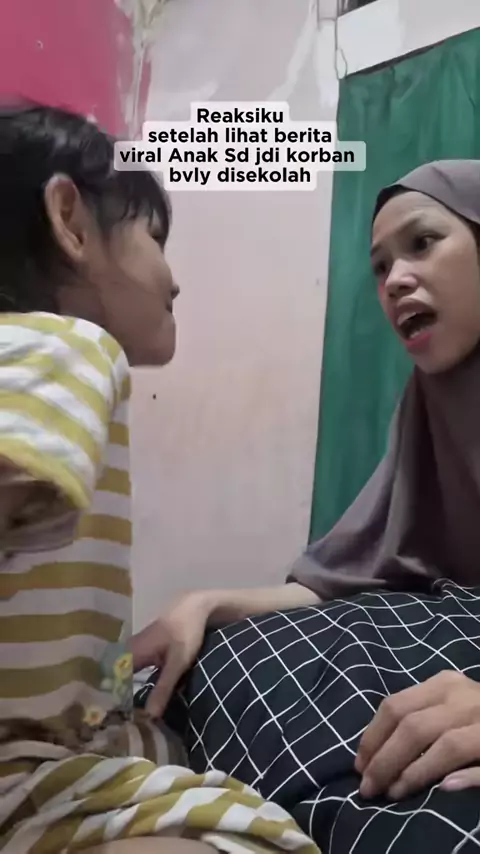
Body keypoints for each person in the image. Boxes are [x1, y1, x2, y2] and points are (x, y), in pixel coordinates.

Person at [0, 103, 319, 854]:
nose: (174, 276)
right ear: (71, 223)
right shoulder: (69, 347)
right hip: (27, 772)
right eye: (154, 237)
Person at [137, 160, 480, 844]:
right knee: (236, 655)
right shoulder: (428, 408)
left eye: (422, 243)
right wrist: (207, 603)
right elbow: (355, 572)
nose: (395, 280)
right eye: (380, 267)